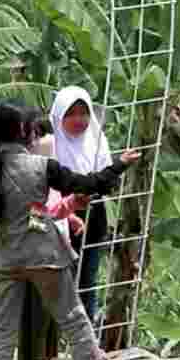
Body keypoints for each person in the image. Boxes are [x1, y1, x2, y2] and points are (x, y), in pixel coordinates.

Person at [0, 100, 138, 360]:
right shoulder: (41, 166)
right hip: (44, 254)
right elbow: (89, 183)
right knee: (71, 313)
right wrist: (119, 164)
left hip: (6, 256)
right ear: (24, 131)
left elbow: (4, 215)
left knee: (2, 319)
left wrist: (67, 208)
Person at [49, 86, 113, 327]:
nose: (79, 120)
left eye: (83, 113)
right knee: (60, 278)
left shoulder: (97, 140)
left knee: (89, 278)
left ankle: (87, 333)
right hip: (57, 216)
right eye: (71, 114)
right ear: (59, 116)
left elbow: (107, 180)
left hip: (94, 216)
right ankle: (58, 332)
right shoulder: (50, 145)